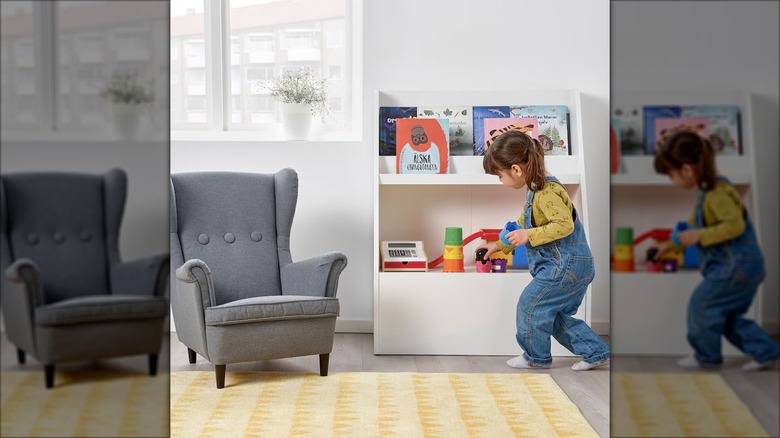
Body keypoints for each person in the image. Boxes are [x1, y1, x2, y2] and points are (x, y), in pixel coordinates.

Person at [476, 130, 610, 370]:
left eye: (499, 176)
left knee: (530, 305)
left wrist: (529, 235)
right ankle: (595, 351)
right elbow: (521, 225)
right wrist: (498, 245)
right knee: (551, 314)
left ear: (516, 169)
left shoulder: (547, 192)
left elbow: (564, 225)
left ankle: (535, 357)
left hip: (564, 265)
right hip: (569, 265)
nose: (500, 181)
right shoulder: (535, 189)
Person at [653, 130, 779, 371]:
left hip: (736, 265)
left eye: (671, 175)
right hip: (739, 266)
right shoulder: (707, 192)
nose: (672, 180)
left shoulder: (718, 193)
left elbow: (734, 225)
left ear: (687, 169)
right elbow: (691, 225)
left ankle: (706, 356)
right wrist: (669, 245)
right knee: (724, 316)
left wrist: (699, 235)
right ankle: (766, 351)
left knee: (702, 304)